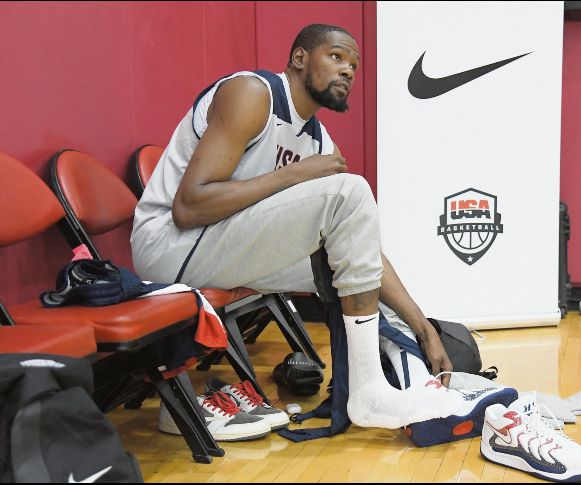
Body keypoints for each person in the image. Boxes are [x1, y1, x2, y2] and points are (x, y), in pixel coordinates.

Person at [131, 24, 475, 431]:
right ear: (299, 59)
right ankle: (368, 391)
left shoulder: (317, 140)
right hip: (171, 245)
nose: (347, 70)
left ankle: (406, 369)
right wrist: (295, 175)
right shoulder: (253, 94)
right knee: (350, 192)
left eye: (354, 64)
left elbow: (362, 251)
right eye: (336, 57)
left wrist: (424, 327)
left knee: (353, 258)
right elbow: (189, 207)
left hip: (220, 244)